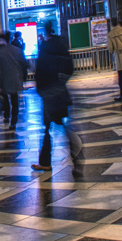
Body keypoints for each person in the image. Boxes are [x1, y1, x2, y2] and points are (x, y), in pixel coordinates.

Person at [32, 21, 83, 176]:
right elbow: (70, 69)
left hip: (48, 95)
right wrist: (61, 82)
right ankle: (77, 161)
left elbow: (40, 72)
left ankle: (45, 163)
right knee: (65, 127)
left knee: (47, 129)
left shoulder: (45, 49)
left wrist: (41, 89)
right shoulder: (62, 47)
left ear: (45, 33)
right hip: (61, 92)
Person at [0, 31, 27, 130]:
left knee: (5, 99)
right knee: (15, 101)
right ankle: (13, 121)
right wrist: (23, 78)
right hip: (15, 79)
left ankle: (6, 116)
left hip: (4, 80)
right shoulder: (17, 50)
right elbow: (25, 64)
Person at [108, 16, 122, 102]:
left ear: (111, 24)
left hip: (119, 58)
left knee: (121, 77)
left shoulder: (110, 35)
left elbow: (110, 49)